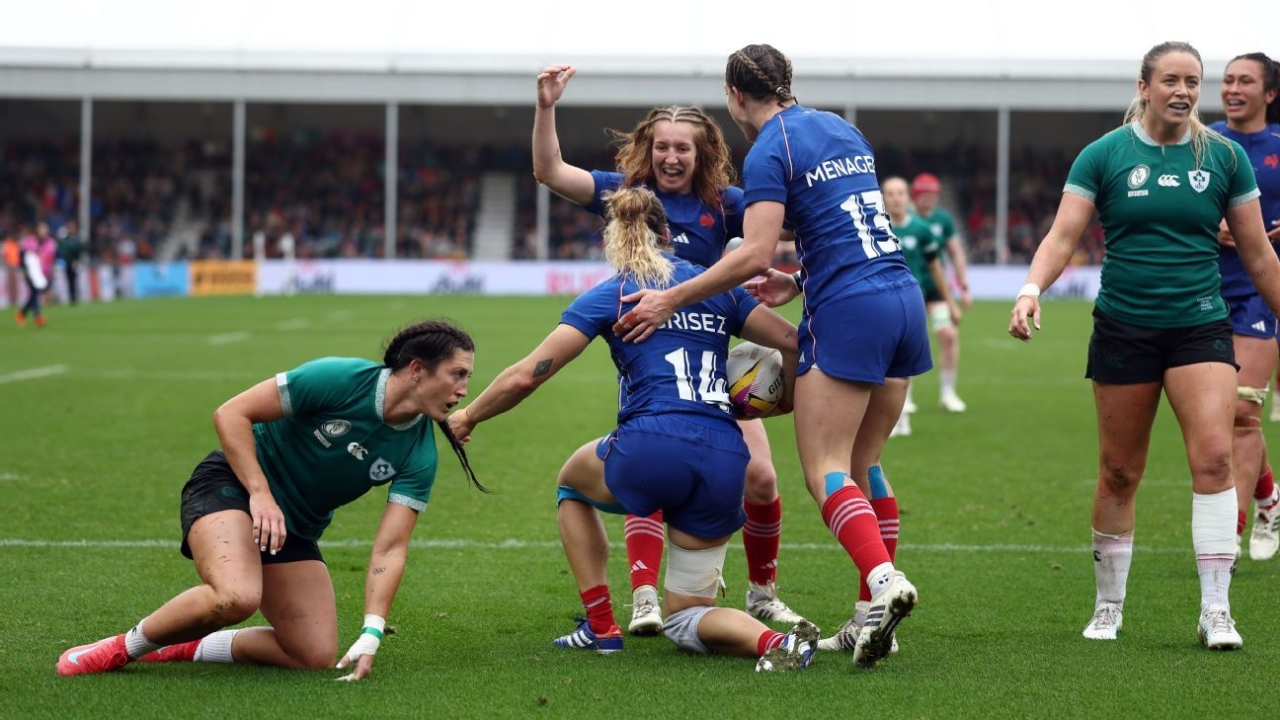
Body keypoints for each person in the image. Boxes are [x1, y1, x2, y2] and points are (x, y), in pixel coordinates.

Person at [617, 43, 929, 668]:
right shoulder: (843, 128)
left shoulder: (767, 149)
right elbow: (849, 226)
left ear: (734, 96)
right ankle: (874, 617)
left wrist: (669, 298)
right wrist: (802, 279)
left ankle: (884, 582)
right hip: (902, 299)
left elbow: (754, 253)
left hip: (850, 313)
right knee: (867, 462)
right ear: (790, 83)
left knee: (825, 470)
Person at [447, 186, 818, 671]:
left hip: (652, 443)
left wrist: (468, 415)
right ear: (669, 234)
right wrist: (781, 403)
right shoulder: (715, 289)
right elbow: (795, 344)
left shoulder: (611, 294)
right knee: (689, 617)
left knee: (571, 486)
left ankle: (601, 627)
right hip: (727, 455)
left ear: (613, 240)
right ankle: (776, 643)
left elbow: (526, 375)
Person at [1008, 41, 1280, 650]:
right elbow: (1062, 236)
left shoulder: (1225, 157)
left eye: (1193, 81)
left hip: (1201, 326)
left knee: (1213, 458)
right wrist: (1031, 288)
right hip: (1125, 326)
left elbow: (1260, 256)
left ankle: (1217, 610)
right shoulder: (1104, 154)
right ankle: (1108, 608)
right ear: (1144, 85)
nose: (1183, 92)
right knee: (1120, 470)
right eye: (1171, 81)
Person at [532, 64, 804, 635]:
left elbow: (801, 228)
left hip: (713, 360)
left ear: (703, 153)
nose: (671, 157)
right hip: (645, 359)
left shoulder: (726, 203)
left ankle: (762, 594)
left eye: (683, 148)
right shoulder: (623, 195)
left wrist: (796, 275)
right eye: (662, 147)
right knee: (650, 469)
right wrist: (547, 106)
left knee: (761, 480)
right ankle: (646, 596)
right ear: (646, 150)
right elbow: (549, 171)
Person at [56, 319, 484, 679]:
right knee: (236, 597)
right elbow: (231, 413)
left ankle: (183, 647)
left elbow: (390, 547)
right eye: (457, 374)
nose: (464, 389)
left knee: (313, 655)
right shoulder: (339, 379)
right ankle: (122, 647)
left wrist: (372, 630)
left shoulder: (420, 454)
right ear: (416, 370)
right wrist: (260, 494)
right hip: (234, 485)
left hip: (291, 527)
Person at [1209, 52, 1280, 562]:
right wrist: (1210, 226)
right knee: (1219, 418)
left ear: (1269, 94)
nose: (1233, 88)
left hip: (1262, 286)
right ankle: (1269, 498)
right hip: (1203, 286)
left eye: (1245, 81)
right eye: (1228, 79)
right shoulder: (1202, 140)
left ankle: (1226, 536)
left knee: (1242, 411)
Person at [881, 176, 962, 438]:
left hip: (927, 293)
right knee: (899, 350)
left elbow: (936, 265)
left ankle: (948, 393)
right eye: (890, 193)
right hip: (895, 299)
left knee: (947, 335)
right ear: (882, 197)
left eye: (900, 193)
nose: (895, 198)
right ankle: (904, 405)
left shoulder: (922, 229)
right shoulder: (876, 229)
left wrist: (951, 301)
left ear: (908, 197)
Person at [910, 172, 972, 413]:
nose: (930, 199)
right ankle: (906, 396)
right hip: (910, 288)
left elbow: (955, 252)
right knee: (909, 340)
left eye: (933, 195)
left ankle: (948, 393)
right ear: (915, 195)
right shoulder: (904, 218)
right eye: (925, 194)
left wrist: (963, 285)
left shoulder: (943, 219)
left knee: (948, 335)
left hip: (936, 288)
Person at [15, 226, 47, 328]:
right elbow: (22, 256)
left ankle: (22, 313)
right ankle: (37, 316)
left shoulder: (39, 242)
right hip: (29, 272)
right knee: (35, 292)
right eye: (43, 230)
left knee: (34, 293)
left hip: (35, 271)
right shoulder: (29, 242)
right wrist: (24, 270)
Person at [58, 220, 86, 305]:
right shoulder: (65, 239)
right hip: (68, 263)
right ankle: (71, 298)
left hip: (76, 262)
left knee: (78, 281)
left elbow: (80, 248)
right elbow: (63, 250)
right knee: (69, 281)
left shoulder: (77, 239)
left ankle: (77, 297)